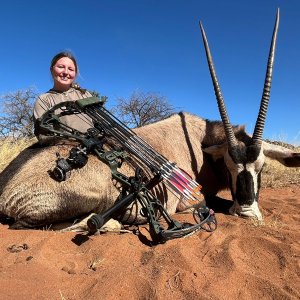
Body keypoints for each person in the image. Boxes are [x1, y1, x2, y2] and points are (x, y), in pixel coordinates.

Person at [33, 51, 94, 145]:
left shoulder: (86, 95)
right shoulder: (43, 99)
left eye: (70, 69)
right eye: (61, 67)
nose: (66, 72)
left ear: (75, 73)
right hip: (66, 148)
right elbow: (43, 135)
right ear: (52, 69)